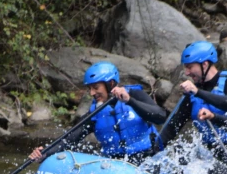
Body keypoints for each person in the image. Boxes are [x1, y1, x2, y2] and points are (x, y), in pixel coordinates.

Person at [29, 62, 166, 166]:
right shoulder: (94, 114)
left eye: (96, 88)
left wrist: (130, 101)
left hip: (148, 161)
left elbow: (160, 117)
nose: (92, 93)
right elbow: (70, 138)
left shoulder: (135, 95)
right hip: (116, 167)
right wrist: (46, 152)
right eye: (90, 88)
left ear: (111, 84)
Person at [159, 41, 227, 157]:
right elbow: (172, 128)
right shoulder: (193, 93)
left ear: (204, 64)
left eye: (189, 67)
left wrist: (198, 92)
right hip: (211, 152)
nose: (187, 73)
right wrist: (152, 151)